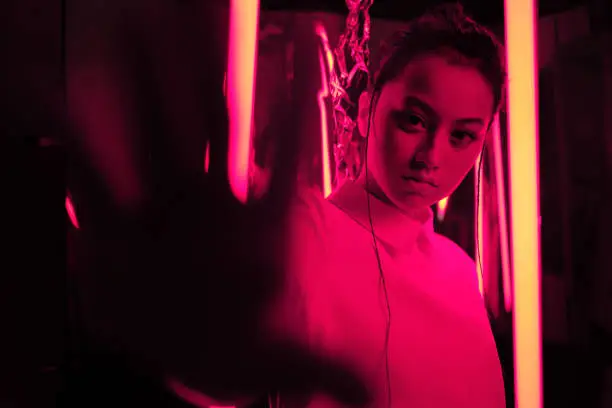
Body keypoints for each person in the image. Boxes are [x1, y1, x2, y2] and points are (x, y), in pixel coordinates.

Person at [267, 4, 508, 407]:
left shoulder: (461, 272)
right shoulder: (305, 235)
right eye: (414, 120)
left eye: (462, 136)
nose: (431, 155)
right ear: (365, 112)